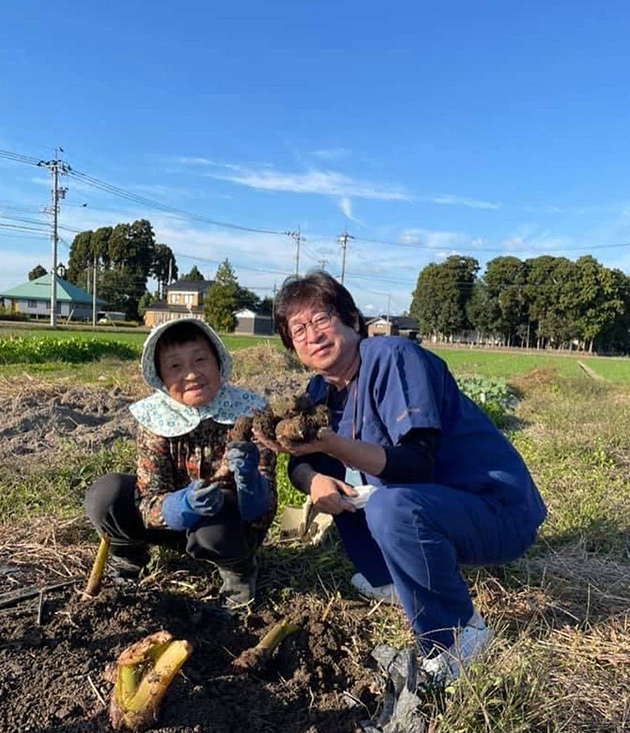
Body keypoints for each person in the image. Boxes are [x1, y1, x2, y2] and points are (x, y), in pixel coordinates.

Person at [263, 271, 546, 684]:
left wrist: (331, 444)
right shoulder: (320, 391)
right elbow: (299, 464)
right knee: (347, 489)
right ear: (292, 347)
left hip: (495, 511)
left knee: (388, 504)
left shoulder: (392, 358)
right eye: (299, 329)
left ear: (351, 320)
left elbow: (417, 464)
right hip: (439, 507)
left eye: (322, 318)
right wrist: (313, 480)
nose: (313, 335)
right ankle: (391, 579)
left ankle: (457, 635)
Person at [84, 317, 277, 607]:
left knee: (219, 518)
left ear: (219, 363)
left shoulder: (250, 414)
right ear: (161, 378)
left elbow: (263, 511)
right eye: (175, 366)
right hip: (171, 523)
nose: (191, 374)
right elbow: (148, 498)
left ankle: (238, 570)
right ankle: (128, 557)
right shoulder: (156, 419)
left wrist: (249, 479)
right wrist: (181, 505)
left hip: (226, 529)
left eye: (200, 360)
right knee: (106, 494)